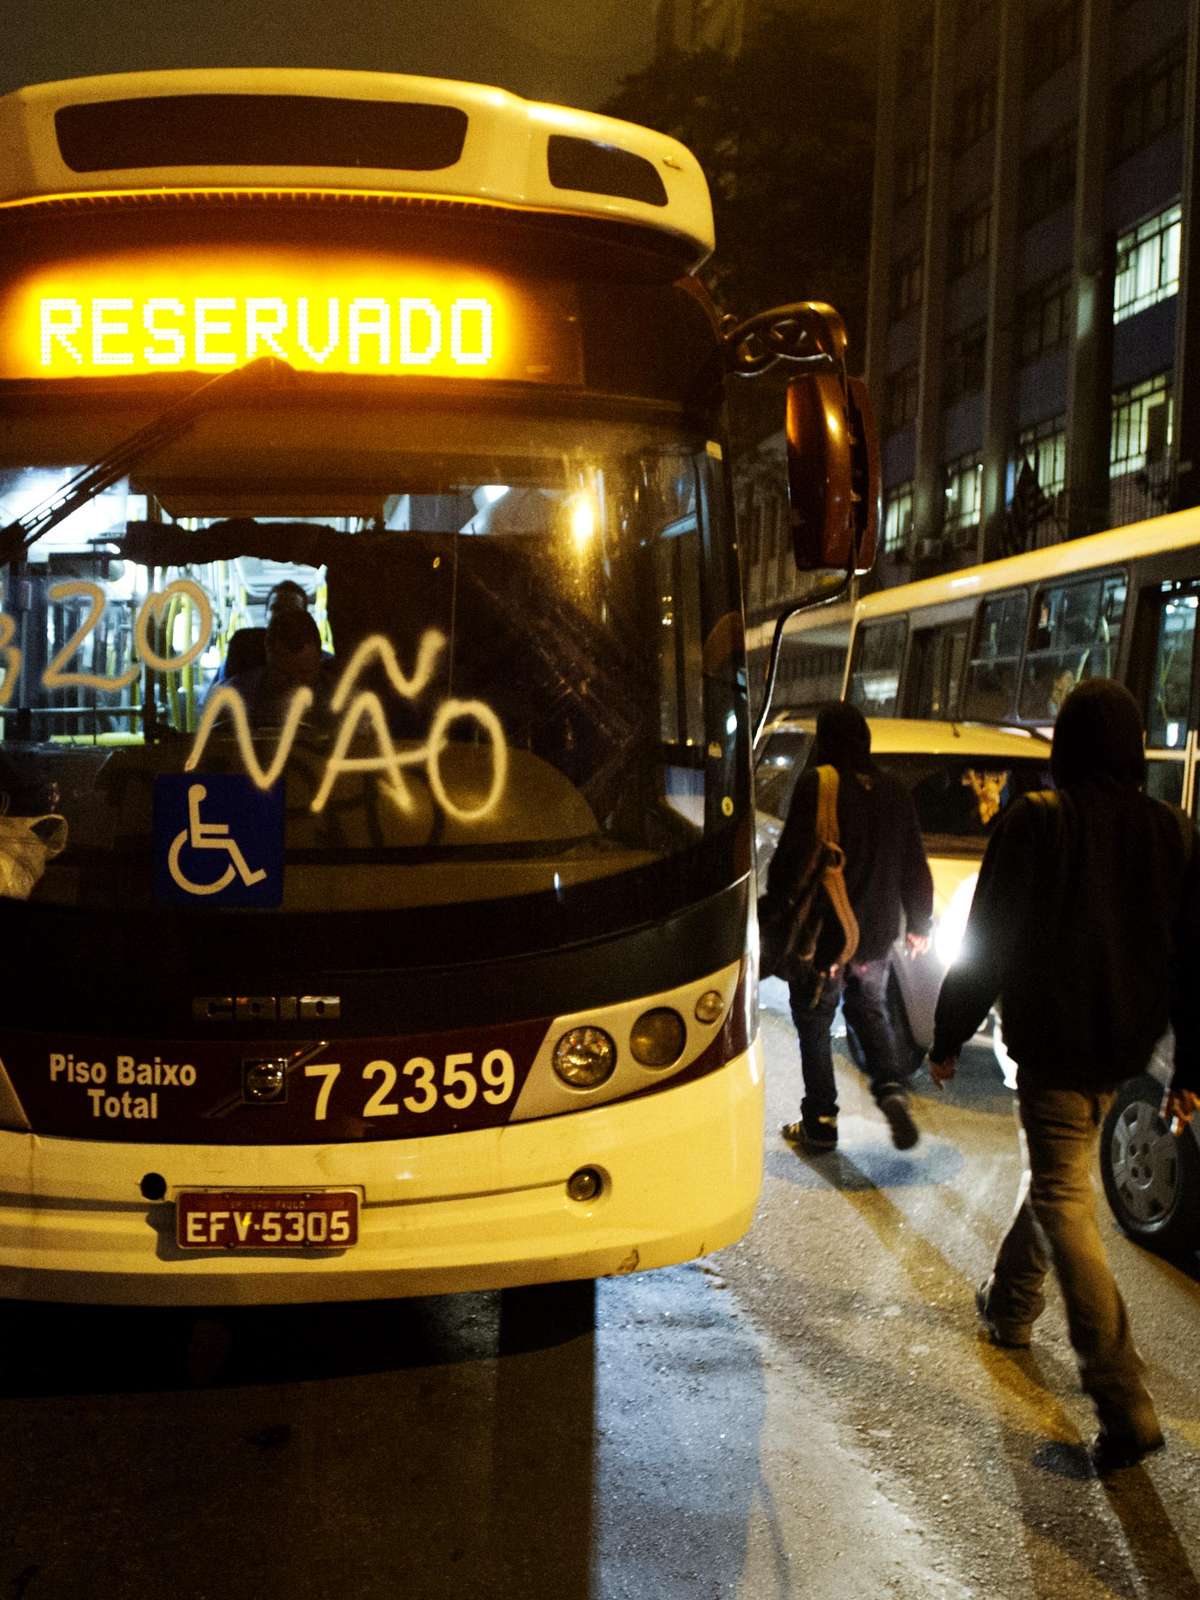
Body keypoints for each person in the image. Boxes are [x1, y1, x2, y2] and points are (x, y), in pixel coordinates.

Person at [928, 678, 1200, 1476]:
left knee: (1061, 1197)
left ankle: (1123, 1399)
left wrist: (948, 1034)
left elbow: (989, 940)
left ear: (1066, 747)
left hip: (1053, 1042)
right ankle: (1011, 1307)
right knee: (1063, 1178)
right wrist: (1187, 1068)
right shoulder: (1174, 833)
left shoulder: (1037, 823)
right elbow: (1195, 964)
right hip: (1124, 1048)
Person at [768, 702, 933, 1152]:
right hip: (877, 936)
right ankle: (891, 1090)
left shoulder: (819, 785)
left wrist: (779, 907)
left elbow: (790, 862)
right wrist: (920, 923)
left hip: (826, 937)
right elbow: (915, 866)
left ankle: (820, 1121)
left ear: (825, 739)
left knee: (815, 1020)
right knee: (869, 1010)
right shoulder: (896, 790)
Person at [207, 608, 336, 727]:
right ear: (269, 658)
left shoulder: (341, 697)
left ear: (320, 660)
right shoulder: (232, 699)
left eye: (305, 673)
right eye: (284, 675)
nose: (295, 685)